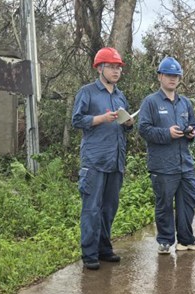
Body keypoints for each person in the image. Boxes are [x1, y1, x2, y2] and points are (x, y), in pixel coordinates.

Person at [71, 47, 134, 270]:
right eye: (111, 67)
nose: (116, 71)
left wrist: (128, 123)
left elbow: (124, 125)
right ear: (99, 68)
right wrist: (101, 118)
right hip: (95, 160)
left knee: (109, 207)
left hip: (115, 160)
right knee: (92, 208)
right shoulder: (87, 92)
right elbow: (77, 120)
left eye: (119, 68)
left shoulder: (120, 95)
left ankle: (104, 248)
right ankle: (89, 254)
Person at [138, 57, 195, 254]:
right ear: (160, 76)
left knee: (190, 199)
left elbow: (194, 124)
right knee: (164, 203)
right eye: (168, 75)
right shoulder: (150, 102)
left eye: (176, 76)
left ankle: (185, 240)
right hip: (162, 164)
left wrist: (192, 132)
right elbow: (143, 129)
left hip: (184, 162)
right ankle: (165, 241)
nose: (172, 79)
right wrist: (166, 134)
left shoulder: (184, 102)